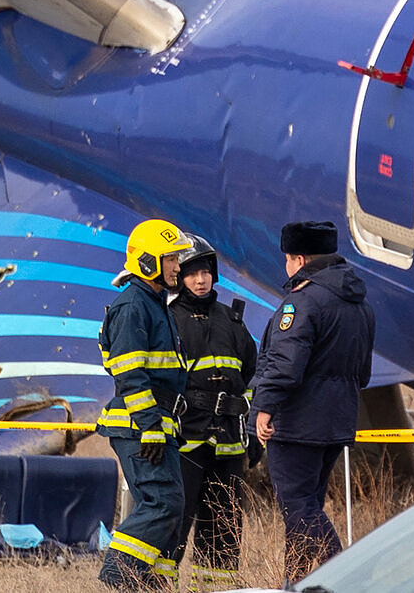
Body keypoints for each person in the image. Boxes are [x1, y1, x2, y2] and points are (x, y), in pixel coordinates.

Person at [252, 221, 375, 584]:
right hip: (336, 422)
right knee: (307, 508)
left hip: (297, 424)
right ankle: (299, 584)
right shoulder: (359, 304)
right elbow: (363, 373)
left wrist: (264, 406)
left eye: (288, 260)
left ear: (300, 259)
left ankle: (345, 578)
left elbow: (285, 364)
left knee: (299, 508)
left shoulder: (302, 302)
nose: (287, 269)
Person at [97, 218, 193, 591]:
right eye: (170, 259)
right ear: (149, 261)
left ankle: (144, 584)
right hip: (140, 426)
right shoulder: (133, 306)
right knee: (162, 504)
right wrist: (151, 426)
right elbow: (130, 373)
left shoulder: (156, 303)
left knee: (169, 506)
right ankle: (119, 578)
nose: (177, 267)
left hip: (155, 424)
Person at [168, 233, 258, 591]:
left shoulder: (232, 321)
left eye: (205, 271)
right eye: (191, 273)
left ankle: (216, 589)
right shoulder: (168, 319)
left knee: (224, 528)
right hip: (186, 440)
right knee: (175, 523)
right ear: (180, 277)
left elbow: (252, 374)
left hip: (229, 445)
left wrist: (249, 427)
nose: (200, 279)